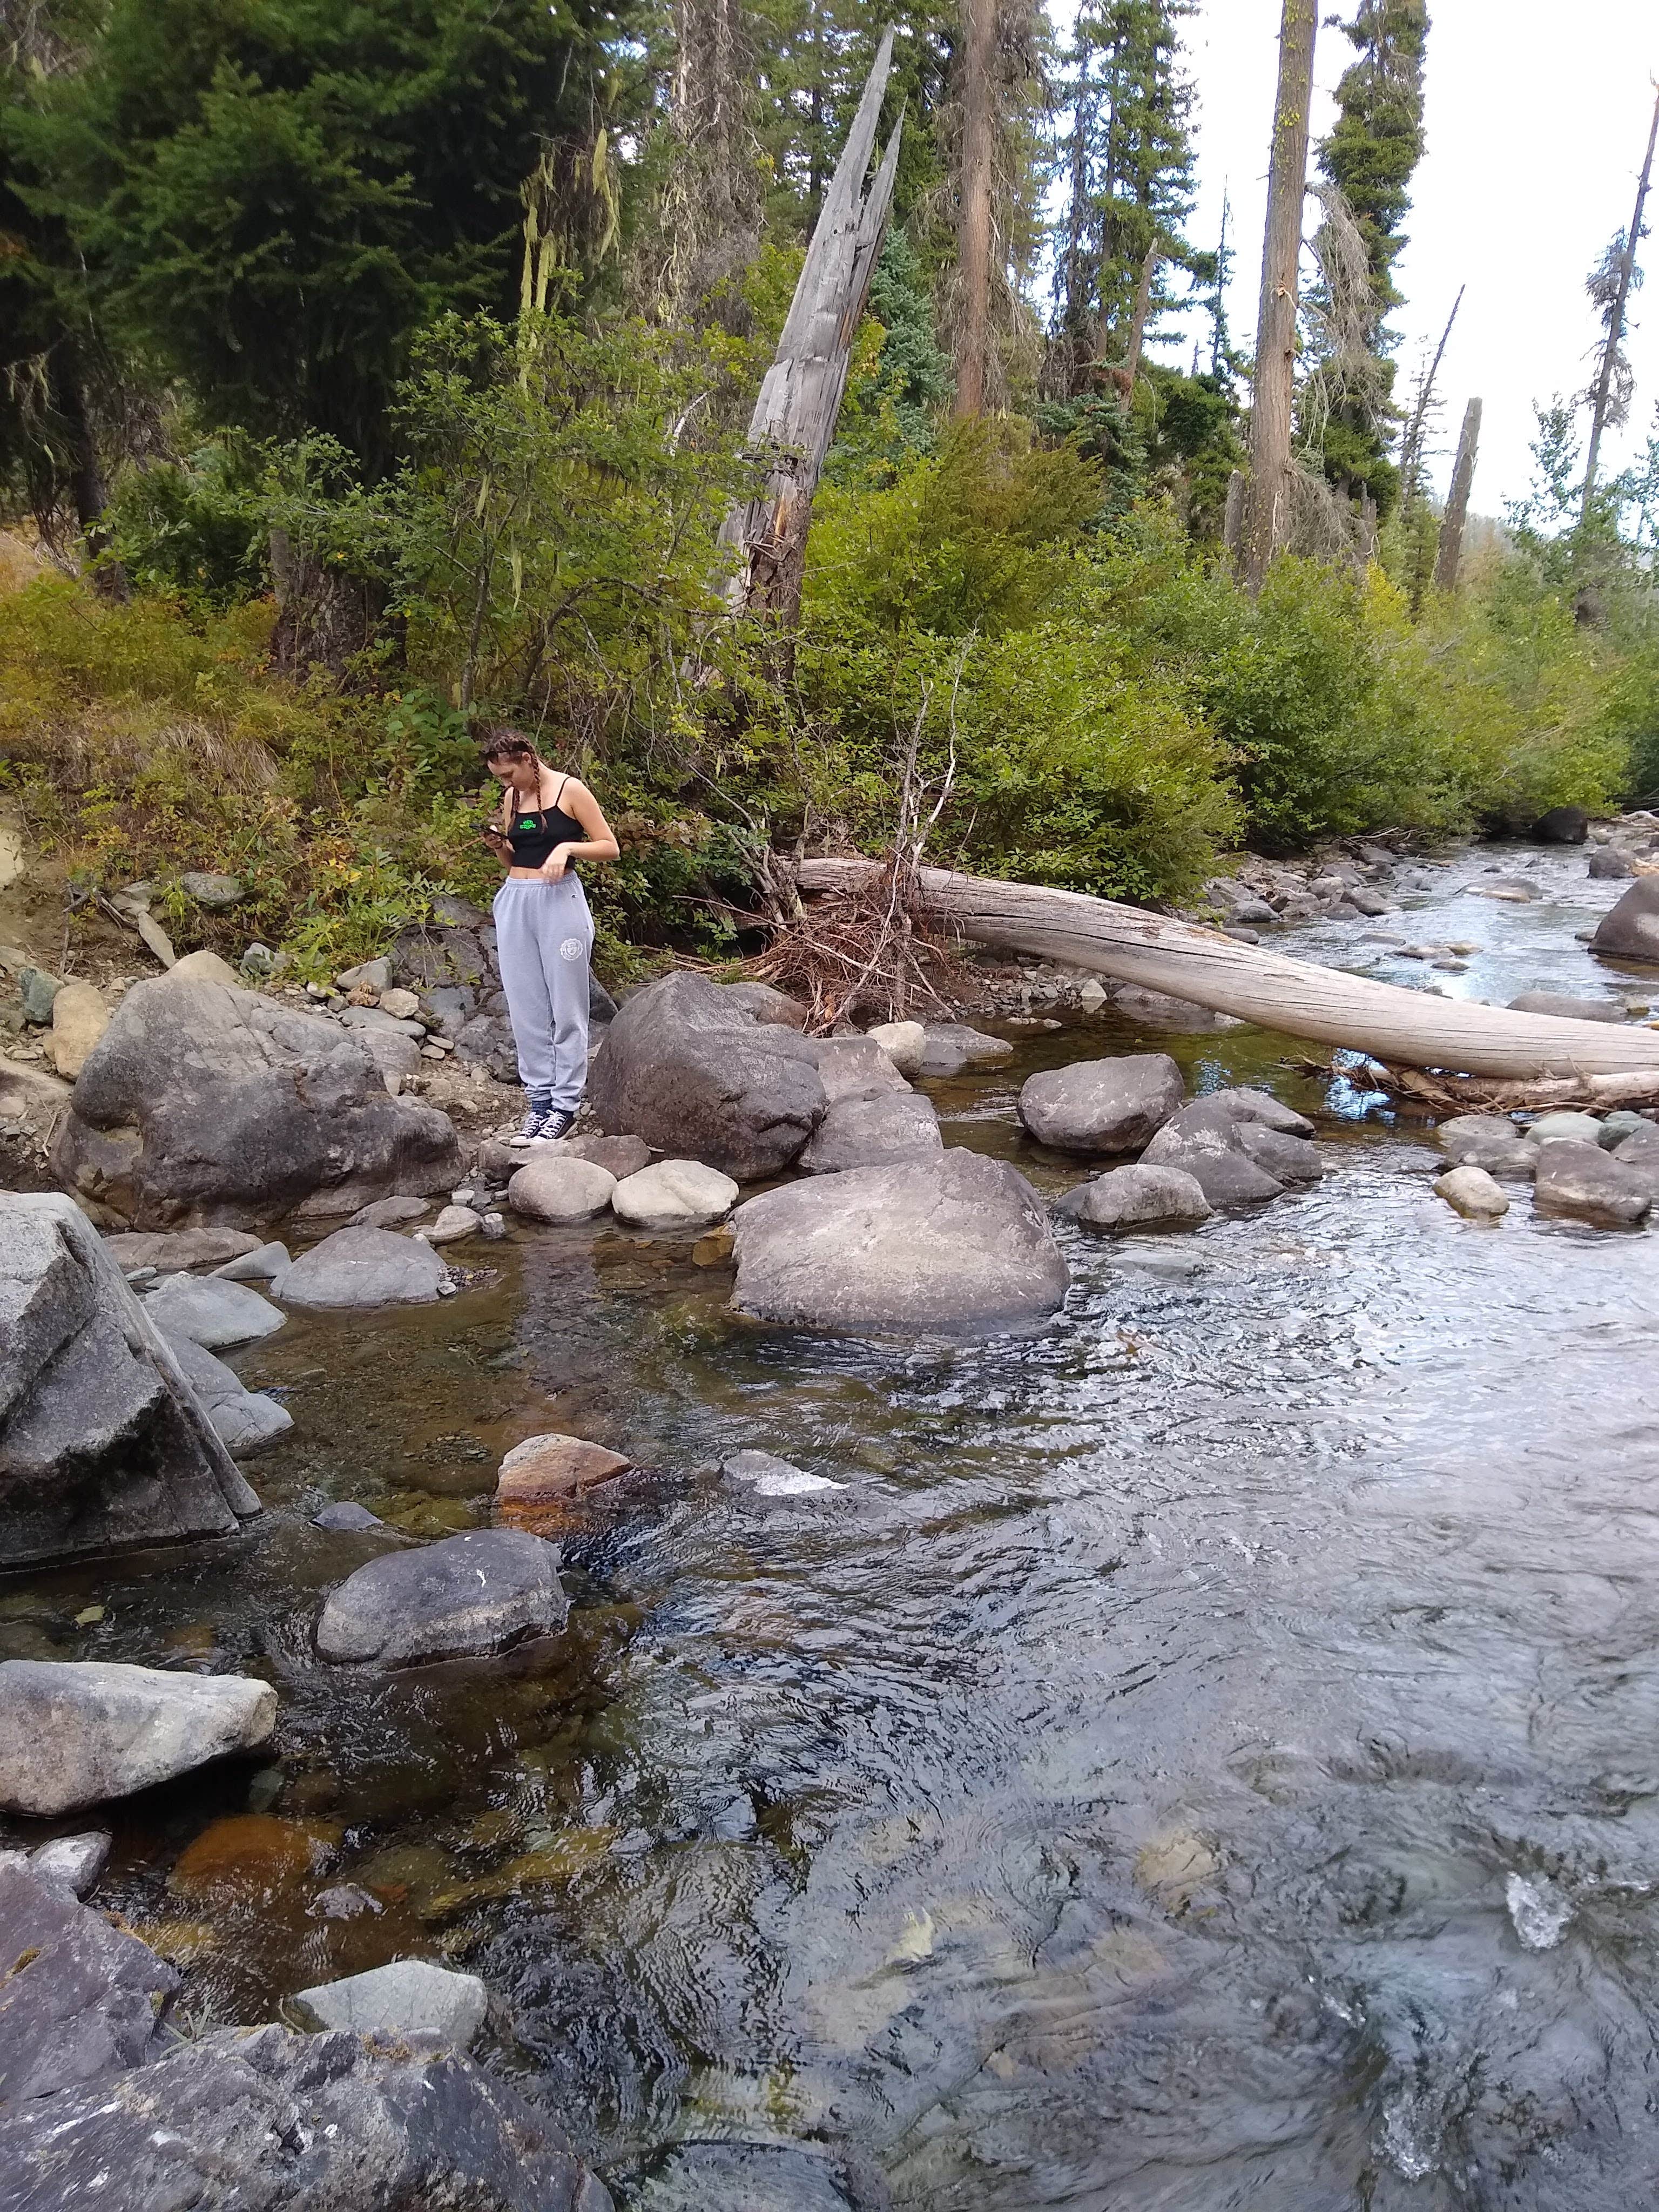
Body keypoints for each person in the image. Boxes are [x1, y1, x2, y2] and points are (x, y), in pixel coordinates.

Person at [476, 724, 619, 1144]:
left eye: (507, 774)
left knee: (567, 1005)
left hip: (560, 902)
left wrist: (567, 848)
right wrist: (498, 845)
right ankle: (538, 1102)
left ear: (527, 759)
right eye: (498, 778)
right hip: (517, 898)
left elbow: (609, 846)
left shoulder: (570, 791)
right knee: (526, 1007)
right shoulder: (513, 798)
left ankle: (565, 1105)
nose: (504, 784)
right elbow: (514, 859)